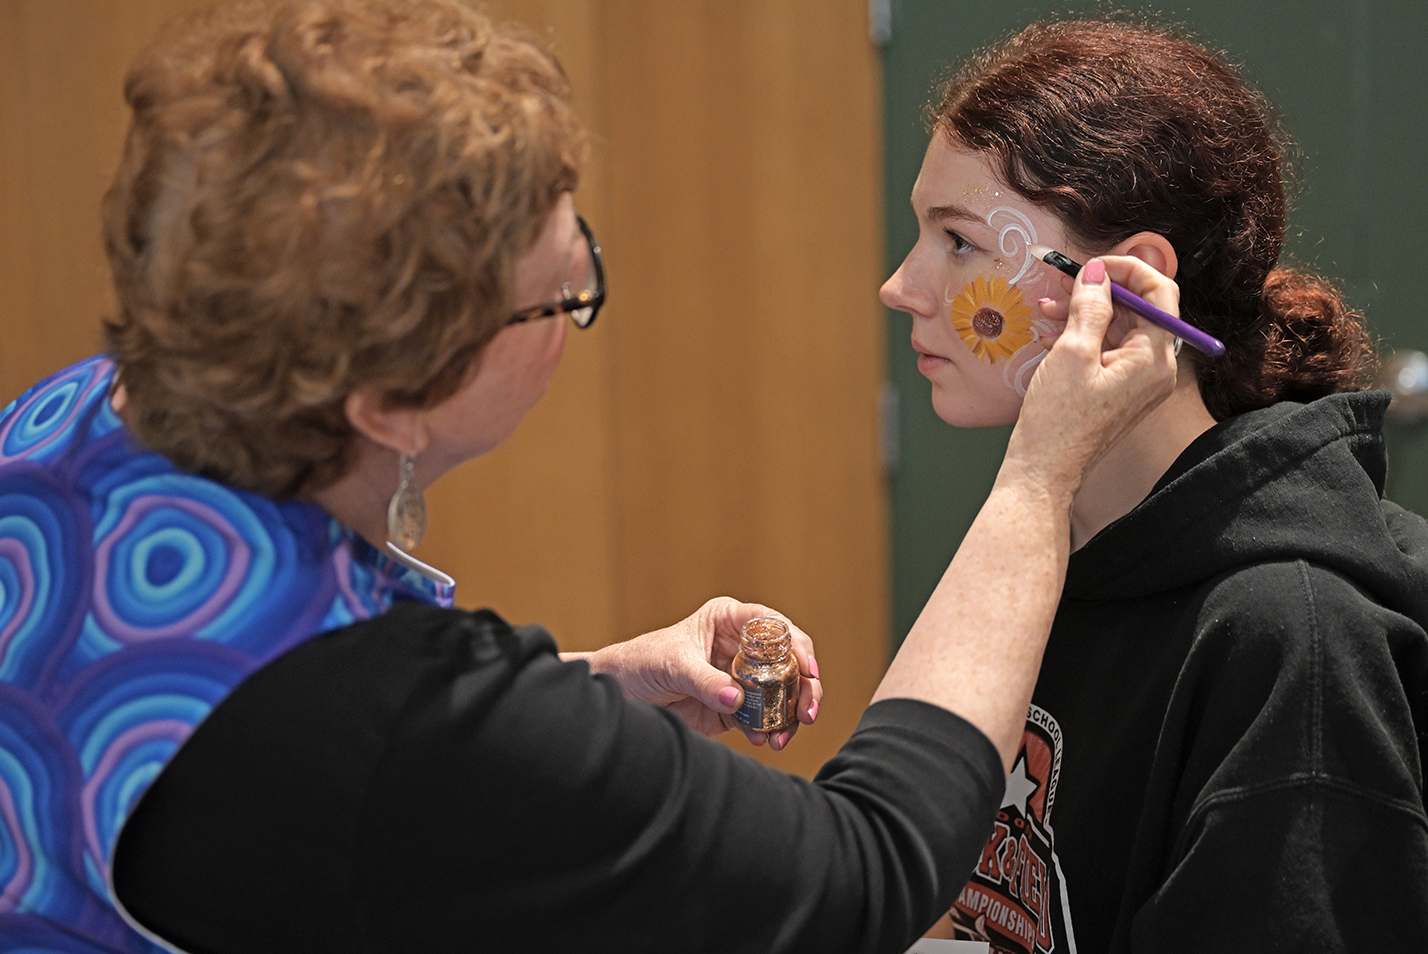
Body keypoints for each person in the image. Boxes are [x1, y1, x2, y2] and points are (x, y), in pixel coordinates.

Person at [0, 1, 1175, 951]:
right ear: (390, 402)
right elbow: (864, 871)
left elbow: (301, 770)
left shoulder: (71, 420)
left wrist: (593, 692)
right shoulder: (379, 723)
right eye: (564, 293)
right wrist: (1036, 481)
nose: (577, 312)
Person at [880, 15, 1428, 954]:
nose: (902, 286)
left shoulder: (1289, 636)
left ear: (1130, 285)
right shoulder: (1056, 554)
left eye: (960, 241)